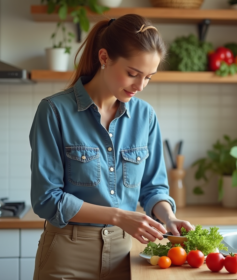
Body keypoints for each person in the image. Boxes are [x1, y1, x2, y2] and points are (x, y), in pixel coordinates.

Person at [29, 14, 194, 280]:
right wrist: (119, 216)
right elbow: (47, 199)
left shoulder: (145, 116)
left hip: (124, 256)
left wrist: (169, 217)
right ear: (104, 58)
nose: (140, 86)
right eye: (132, 74)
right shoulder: (54, 111)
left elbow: (153, 187)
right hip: (67, 256)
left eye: (149, 77)